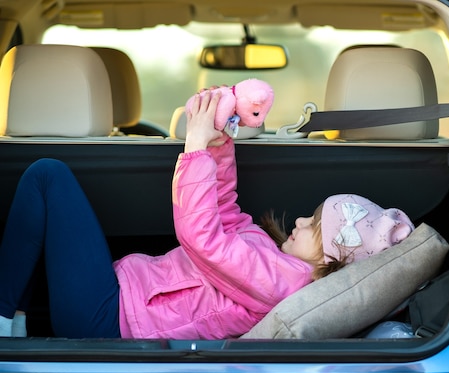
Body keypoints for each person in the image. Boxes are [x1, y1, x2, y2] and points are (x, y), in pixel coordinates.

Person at [0, 90, 415, 339]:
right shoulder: (278, 262)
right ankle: (13, 323)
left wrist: (194, 149)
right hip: (119, 300)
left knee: (47, 176)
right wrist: (218, 144)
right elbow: (226, 213)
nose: (300, 222)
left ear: (331, 259)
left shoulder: (283, 282)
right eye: (309, 215)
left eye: (314, 225)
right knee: (48, 180)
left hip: (112, 322)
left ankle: (3, 320)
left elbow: (202, 241)